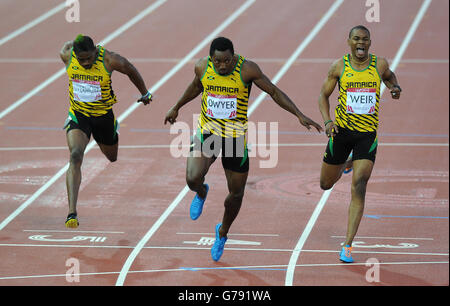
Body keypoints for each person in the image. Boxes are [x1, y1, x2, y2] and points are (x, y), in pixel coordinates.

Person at [165, 37, 323, 261]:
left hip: (234, 139)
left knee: (236, 194)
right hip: (207, 133)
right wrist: (176, 106)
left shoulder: (247, 69)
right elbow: (196, 87)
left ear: (234, 57)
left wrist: (298, 114)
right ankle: (201, 192)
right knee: (192, 178)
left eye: (227, 61)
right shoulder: (201, 66)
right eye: (218, 61)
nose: (222, 66)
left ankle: (222, 233)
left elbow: (274, 92)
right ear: (211, 59)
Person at [318, 25, 402, 263]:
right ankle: (347, 161)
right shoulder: (339, 67)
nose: (360, 43)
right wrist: (327, 121)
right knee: (325, 184)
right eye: (356, 39)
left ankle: (347, 244)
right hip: (342, 134)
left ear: (370, 42)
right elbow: (322, 95)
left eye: (364, 39)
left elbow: (390, 77)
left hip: (367, 135)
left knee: (360, 183)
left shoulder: (379, 65)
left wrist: (394, 88)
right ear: (349, 42)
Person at [60, 34, 152, 228]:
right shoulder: (68, 56)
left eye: (89, 58)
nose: (85, 63)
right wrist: (70, 43)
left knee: (112, 157)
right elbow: (66, 47)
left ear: (96, 51)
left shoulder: (109, 60)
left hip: (103, 118)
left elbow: (130, 69)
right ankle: (71, 213)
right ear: (74, 55)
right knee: (75, 155)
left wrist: (144, 93)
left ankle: (111, 133)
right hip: (79, 115)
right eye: (81, 59)